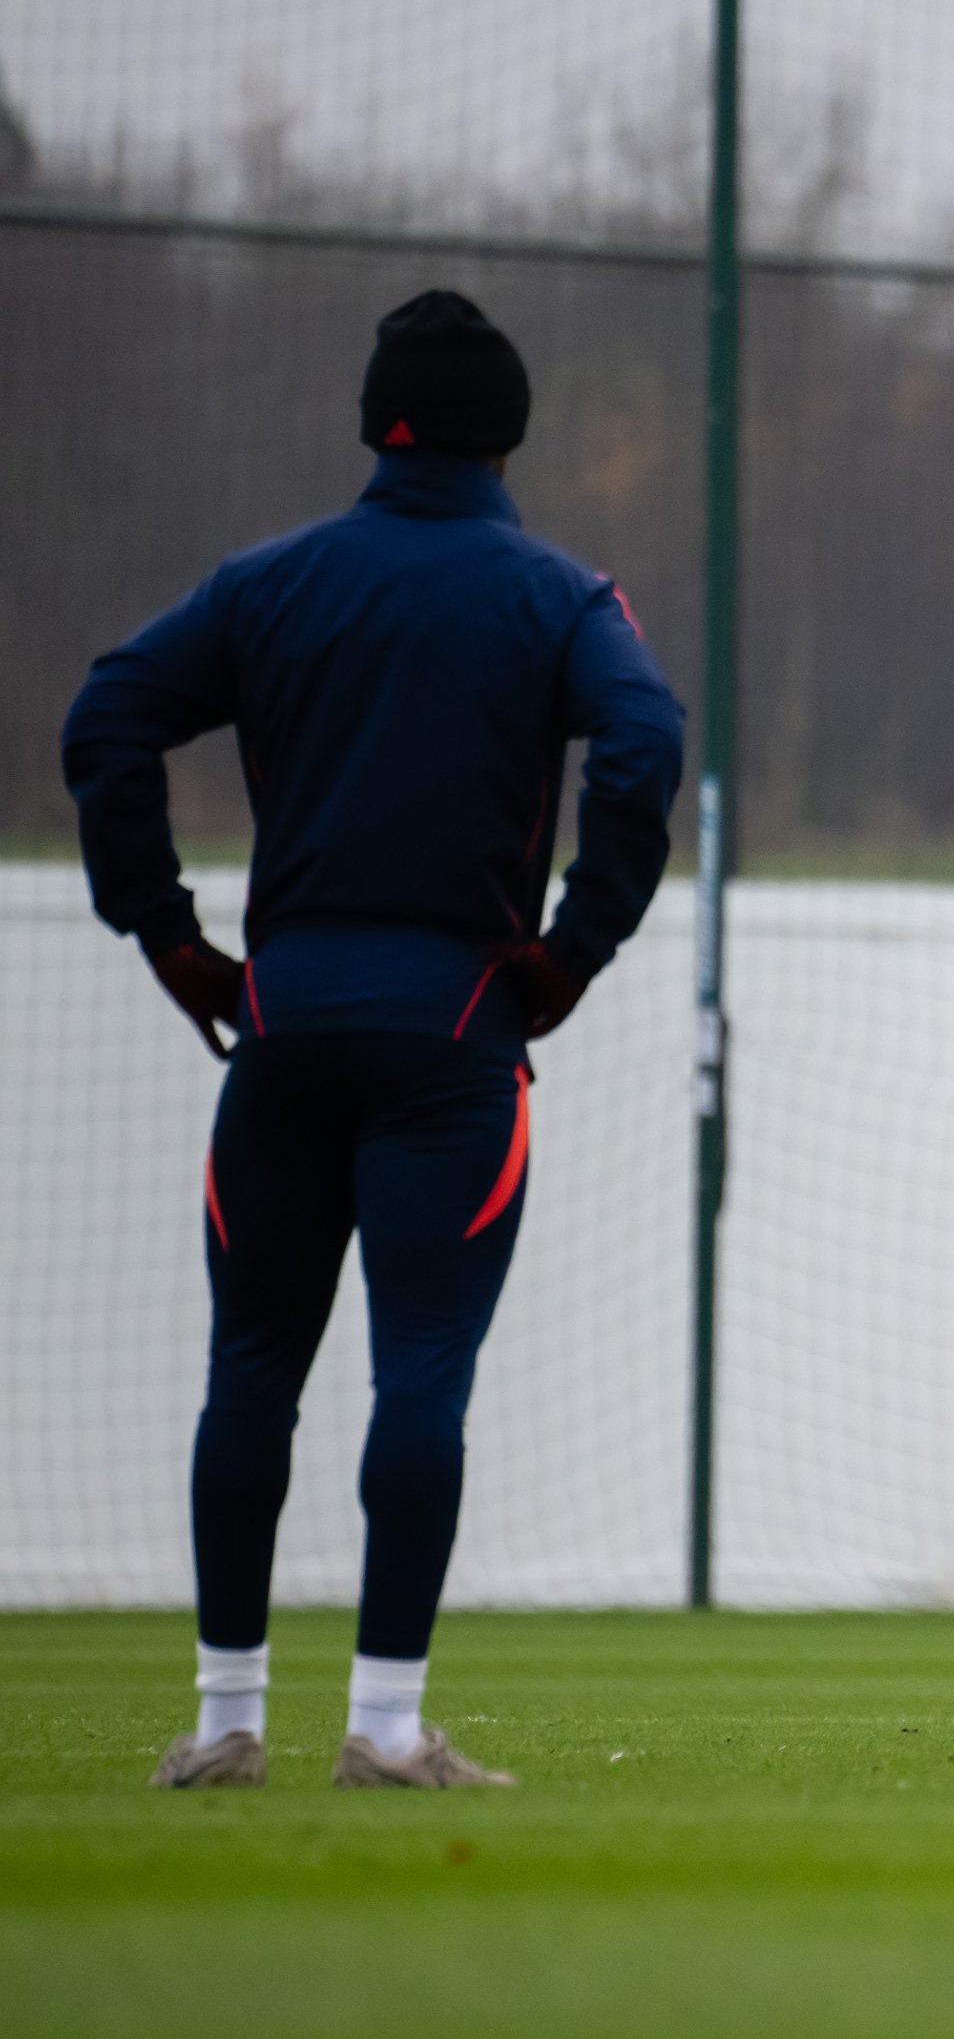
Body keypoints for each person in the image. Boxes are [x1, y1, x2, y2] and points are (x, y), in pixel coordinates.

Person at [65, 290, 685, 1791]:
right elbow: (645, 739)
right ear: (511, 427)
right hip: (455, 1030)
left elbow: (107, 716)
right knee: (421, 1378)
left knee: (250, 1370)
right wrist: (578, 946)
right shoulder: (561, 597)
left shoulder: (269, 582)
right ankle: (388, 1730)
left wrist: (165, 931)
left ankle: (222, 1721)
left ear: (373, 420)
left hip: (278, 1026)